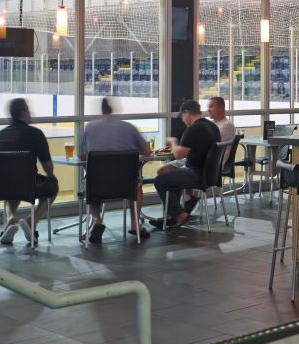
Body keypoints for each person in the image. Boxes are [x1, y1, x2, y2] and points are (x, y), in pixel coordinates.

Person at [78, 97, 153, 243]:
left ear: (102, 110)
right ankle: (134, 224)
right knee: (137, 185)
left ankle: (97, 220)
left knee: (90, 183)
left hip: (98, 185)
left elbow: (81, 155)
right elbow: (147, 151)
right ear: (115, 109)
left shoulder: (89, 127)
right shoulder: (129, 127)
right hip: (125, 185)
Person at [0, 98, 60, 245]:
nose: (30, 113)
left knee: (12, 185)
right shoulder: (35, 134)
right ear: (23, 113)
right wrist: (49, 174)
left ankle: (10, 219)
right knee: (52, 185)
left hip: (2, 187)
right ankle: (31, 221)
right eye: (28, 110)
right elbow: (49, 168)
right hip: (28, 185)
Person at [152, 99, 221, 229]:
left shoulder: (194, 129)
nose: (183, 120)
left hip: (197, 173)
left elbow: (178, 154)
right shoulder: (212, 126)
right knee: (171, 175)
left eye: (182, 116)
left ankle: (180, 214)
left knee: (160, 181)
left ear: (187, 112)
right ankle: (173, 216)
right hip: (211, 175)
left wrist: (173, 142)